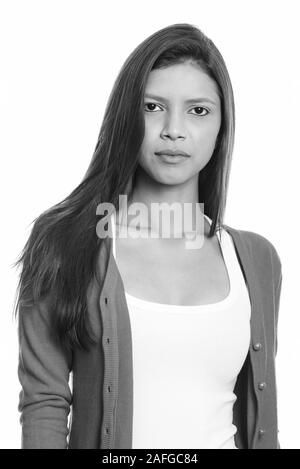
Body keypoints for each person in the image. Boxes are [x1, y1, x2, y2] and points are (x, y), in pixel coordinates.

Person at [13, 23, 282, 449]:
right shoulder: (65, 245)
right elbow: (44, 401)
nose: (174, 130)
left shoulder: (257, 259)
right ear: (127, 116)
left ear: (222, 126)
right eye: (153, 106)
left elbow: (262, 420)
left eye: (198, 110)